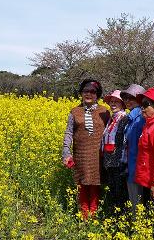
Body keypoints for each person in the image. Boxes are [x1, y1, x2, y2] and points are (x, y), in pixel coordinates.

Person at [62, 79, 110, 220]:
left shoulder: (105, 112)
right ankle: (84, 216)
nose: (88, 94)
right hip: (81, 155)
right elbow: (69, 133)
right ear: (81, 93)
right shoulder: (75, 111)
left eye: (92, 91)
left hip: (98, 156)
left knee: (95, 184)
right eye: (85, 91)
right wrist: (66, 152)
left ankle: (93, 215)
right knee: (82, 184)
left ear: (98, 94)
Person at [119, 84, 147, 213]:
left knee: (137, 203)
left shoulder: (140, 118)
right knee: (135, 202)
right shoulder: (131, 117)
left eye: (132, 98)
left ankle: (138, 230)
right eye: (125, 98)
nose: (127, 101)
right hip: (132, 167)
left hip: (137, 168)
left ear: (140, 100)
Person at [102, 90, 129, 212]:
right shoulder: (111, 119)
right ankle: (114, 218)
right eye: (111, 102)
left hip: (119, 163)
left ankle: (121, 220)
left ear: (123, 104)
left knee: (120, 194)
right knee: (113, 192)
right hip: (110, 162)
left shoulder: (125, 118)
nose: (113, 104)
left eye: (116, 102)